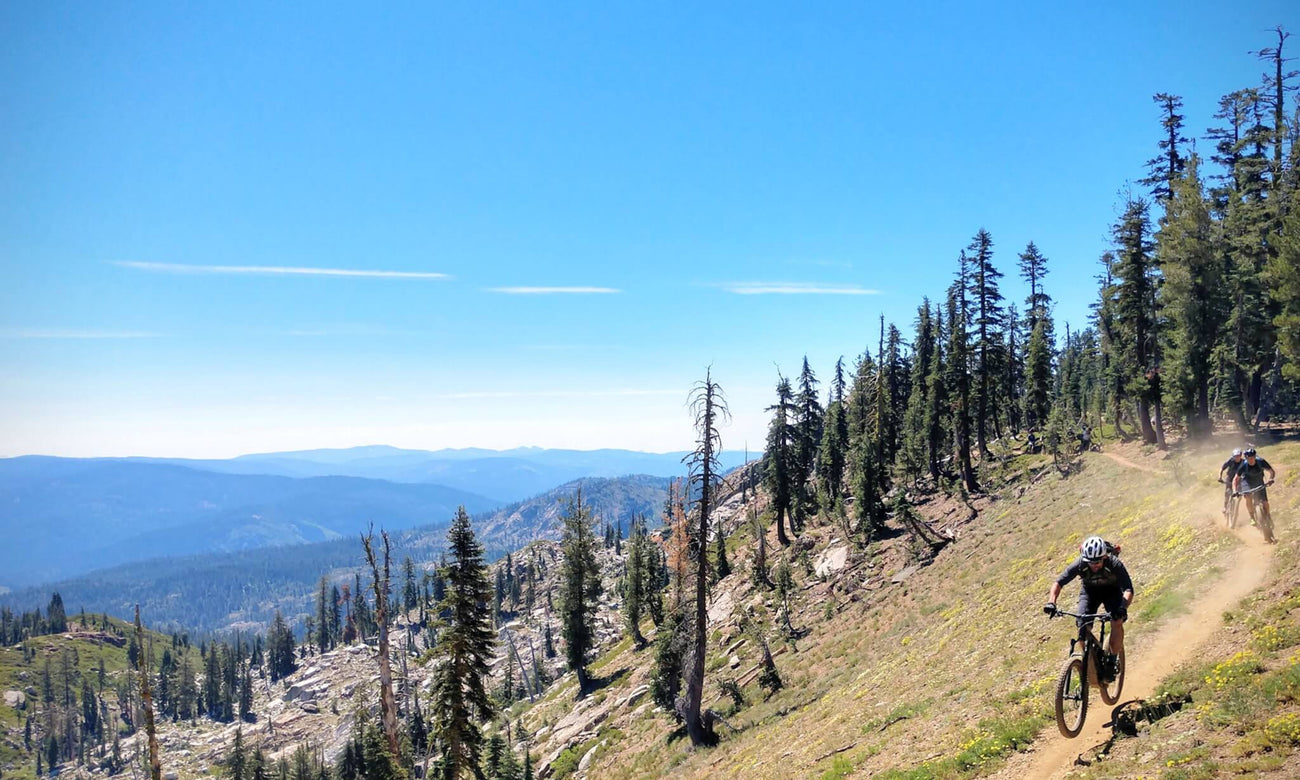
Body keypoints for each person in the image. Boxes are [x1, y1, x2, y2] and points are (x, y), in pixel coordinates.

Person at [1044, 535, 1133, 681]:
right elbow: (1058, 582)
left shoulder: (1114, 564)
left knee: (1117, 621)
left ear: (1104, 557)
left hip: (1112, 592)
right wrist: (1051, 602)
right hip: (1090, 593)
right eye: (1090, 562)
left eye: (1097, 562)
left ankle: (1111, 661)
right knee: (1082, 628)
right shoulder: (1080, 564)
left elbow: (1128, 589)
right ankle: (1094, 660)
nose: (1094, 565)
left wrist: (1122, 608)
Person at [1232, 448, 1277, 534]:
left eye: (1253, 457)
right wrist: (1234, 491)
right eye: (1249, 458)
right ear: (1246, 458)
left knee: (1265, 503)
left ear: (1255, 456)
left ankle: (1268, 516)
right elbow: (1236, 479)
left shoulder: (1261, 461)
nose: (1251, 460)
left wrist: (1271, 479)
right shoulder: (1243, 465)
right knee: (1248, 497)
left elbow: (1271, 471)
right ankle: (1252, 517)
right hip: (1247, 483)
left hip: (1259, 481)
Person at [1218, 448, 1245, 517]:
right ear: (1233, 457)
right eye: (1235, 456)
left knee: (1239, 494)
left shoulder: (1244, 462)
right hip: (1230, 479)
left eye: (1238, 456)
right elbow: (1222, 468)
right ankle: (1225, 507)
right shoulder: (1230, 461)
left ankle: (1236, 509)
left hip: (1239, 480)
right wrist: (1220, 477)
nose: (1237, 458)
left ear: (1241, 455)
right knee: (1227, 492)